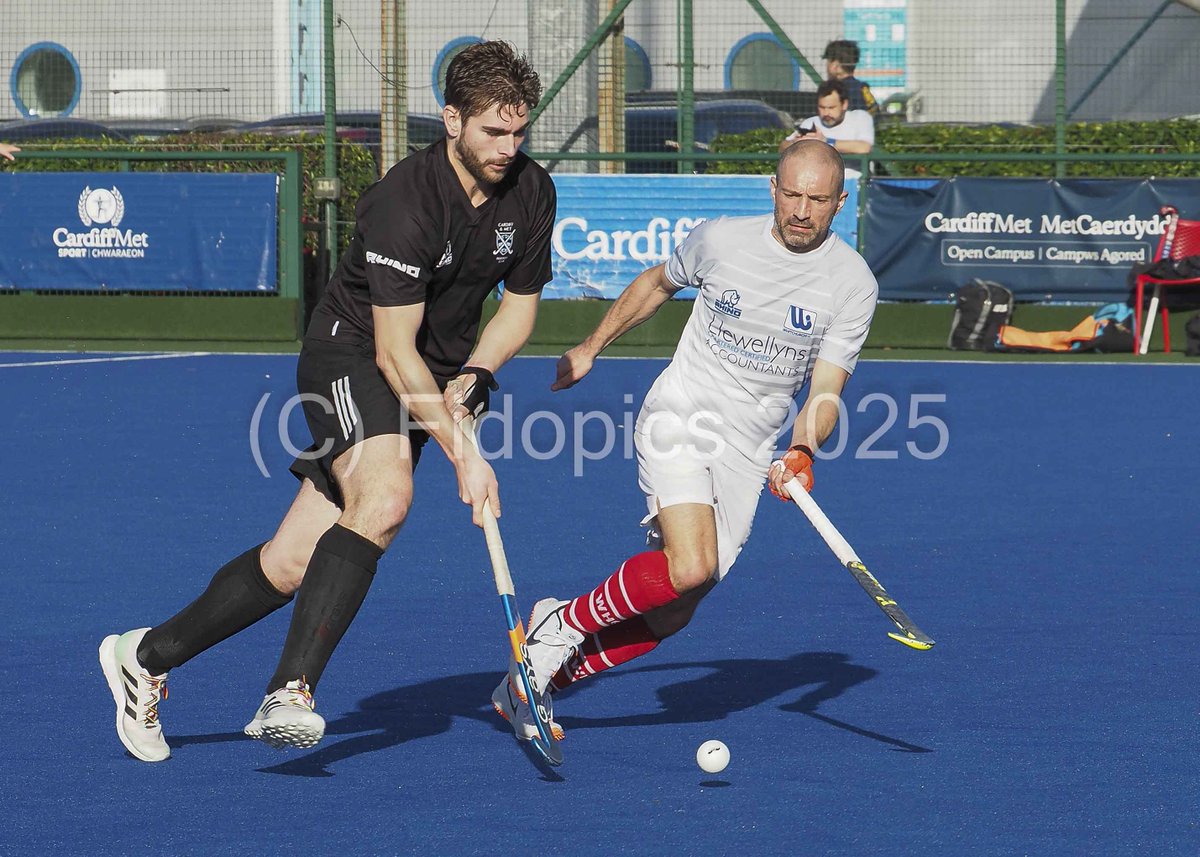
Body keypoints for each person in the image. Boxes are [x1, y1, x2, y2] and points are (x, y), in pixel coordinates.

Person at [98, 40, 557, 762]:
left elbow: (518, 310)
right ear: (451, 121)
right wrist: (464, 451)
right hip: (352, 353)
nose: (508, 147)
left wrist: (476, 372)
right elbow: (392, 352)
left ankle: (145, 657)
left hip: (426, 370)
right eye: (493, 131)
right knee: (385, 499)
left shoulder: (530, 192)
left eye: (519, 130)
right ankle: (291, 689)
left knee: (289, 563)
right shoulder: (406, 200)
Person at [490, 139, 879, 742]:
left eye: (818, 200)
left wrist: (802, 449)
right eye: (793, 195)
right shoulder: (722, 240)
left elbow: (825, 389)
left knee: (675, 607)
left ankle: (539, 679)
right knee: (691, 565)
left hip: (750, 450)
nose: (802, 211)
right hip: (682, 411)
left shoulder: (851, 282)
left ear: (840, 202)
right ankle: (559, 629)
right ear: (772, 190)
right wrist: (592, 346)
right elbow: (656, 283)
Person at [779, 80, 874, 156]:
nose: (826, 113)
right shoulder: (810, 122)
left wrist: (825, 142)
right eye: (822, 107)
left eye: (831, 107)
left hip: (854, 179)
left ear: (844, 104)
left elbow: (865, 147)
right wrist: (797, 143)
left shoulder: (860, 117)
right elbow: (782, 147)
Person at [821, 39, 877, 117]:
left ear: (836, 66)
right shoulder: (862, 88)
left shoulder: (836, 91)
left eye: (829, 61)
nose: (826, 66)